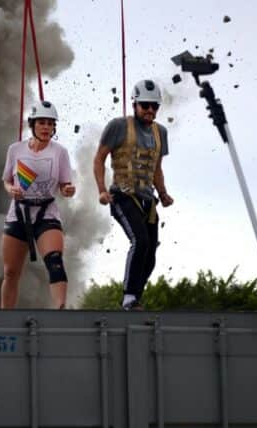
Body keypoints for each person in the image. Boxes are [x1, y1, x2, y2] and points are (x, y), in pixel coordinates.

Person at [93, 79, 174, 311]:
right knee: (140, 240)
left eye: (154, 106)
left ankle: (136, 297)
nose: (150, 110)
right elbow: (99, 158)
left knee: (151, 251)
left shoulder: (161, 133)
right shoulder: (118, 126)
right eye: (145, 105)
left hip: (148, 200)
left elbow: (156, 168)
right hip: (122, 195)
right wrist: (101, 190)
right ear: (135, 104)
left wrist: (164, 193)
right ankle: (129, 297)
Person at [1, 100, 76, 309]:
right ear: (32, 124)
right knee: (10, 272)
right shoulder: (15, 150)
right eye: (42, 122)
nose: (46, 127)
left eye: (50, 123)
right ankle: (6, 316)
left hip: (46, 212)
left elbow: (64, 184)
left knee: (55, 261)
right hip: (19, 213)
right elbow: (6, 180)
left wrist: (68, 190)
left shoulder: (60, 152)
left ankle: (61, 309)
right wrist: (11, 190)